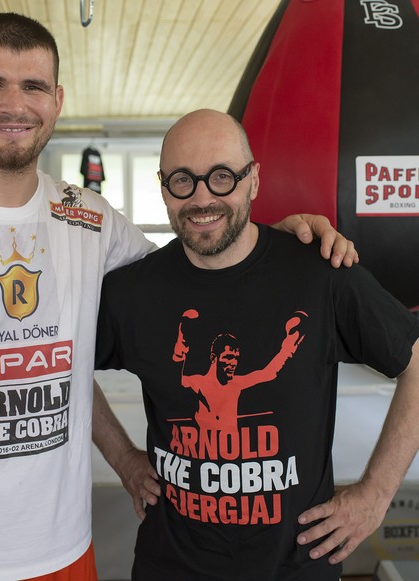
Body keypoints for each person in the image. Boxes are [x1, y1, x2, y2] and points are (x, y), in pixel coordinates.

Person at [0, 12, 356, 581]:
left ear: (56, 101)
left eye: (33, 86)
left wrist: (275, 240)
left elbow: (196, 265)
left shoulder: (88, 220)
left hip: (61, 553)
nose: (15, 104)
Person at [94, 109, 419, 581]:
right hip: (173, 565)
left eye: (222, 177)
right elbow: (62, 366)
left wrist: (376, 494)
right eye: (183, 180)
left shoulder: (320, 274)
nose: (202, 197)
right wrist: (122, 458)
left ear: (254, 181)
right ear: (163, 187)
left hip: (295, 567)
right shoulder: (133, 294)